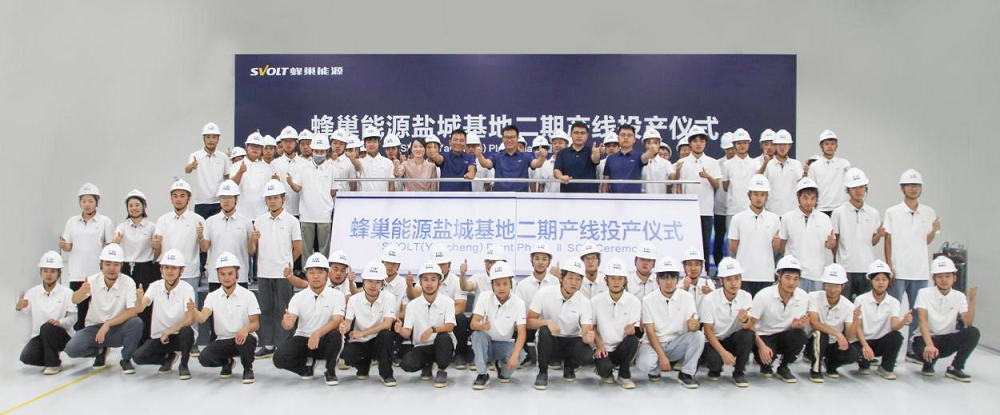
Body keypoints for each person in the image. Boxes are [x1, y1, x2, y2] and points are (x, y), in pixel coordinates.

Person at [883, 168, 939, 359]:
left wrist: (934, 231)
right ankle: (887, 350)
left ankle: (912, 350)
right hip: (899, 270)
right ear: (902, 188)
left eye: (917, 185)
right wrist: (889, 266)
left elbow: (926, 241)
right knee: (892, 310)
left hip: (920, 271)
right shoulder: (893, 212)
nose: (913, 188)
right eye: (909, 185)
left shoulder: (929, 212)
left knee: (918, 313)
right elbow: (887, 240)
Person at [65, 243, 143, 374]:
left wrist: (108, 324)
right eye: (107, 264)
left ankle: (126, 359)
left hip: (117, 327)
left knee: (136, 323)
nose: (112, 268)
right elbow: (74, 300)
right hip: (94, 328)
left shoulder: (128, 282)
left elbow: (132, 311)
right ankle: (100, 351)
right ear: (101, 264)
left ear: (121, 265)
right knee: (71, 349)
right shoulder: (92, 280)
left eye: (116, 264)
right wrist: (82, 291)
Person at [273, 253, 345, 385]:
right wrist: (287, 322)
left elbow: (337, 321)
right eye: (312, 272)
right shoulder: (298, 297)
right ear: (306, 274)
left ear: (327, 274)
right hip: (303, 338)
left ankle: (330, 371)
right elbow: (289, 324)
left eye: (320, 272)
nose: (316, 276)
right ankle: (305, 369)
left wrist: (317, 333)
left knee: (336, 335)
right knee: (279, 358)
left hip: (324, 339)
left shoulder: (337, 295)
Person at [250, 179, 303, 358]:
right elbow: (252, 250)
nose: (272, 201)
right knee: (266, 310)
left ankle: (286, 345)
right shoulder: (259, 221)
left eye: (276, 197)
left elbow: (298, 249)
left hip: (283, 275)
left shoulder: (291, 221)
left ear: (283, 199)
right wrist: (252, 239)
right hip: (263, 273)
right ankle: (269, 344)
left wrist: (286, 263)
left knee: (286, 310)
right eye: (269, 198)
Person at [636, 255, 704, 389]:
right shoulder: (648, 300)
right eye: (664, 278)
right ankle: (655, 369)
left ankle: (686, 373)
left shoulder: (687, 297)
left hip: (676, 343)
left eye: (672, 277)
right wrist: (662, 356)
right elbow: (650, 331)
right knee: (644, 364)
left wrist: (695, 325)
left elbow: (694, 322)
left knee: (698, 336)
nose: (668, 282)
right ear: (657, 280)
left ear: (677, 279)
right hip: (653, 344)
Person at [192, 252, 260, 384]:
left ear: (237, 274)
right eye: (222, 274)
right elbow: (202, 318)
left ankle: (248, 368)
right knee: (204, 358)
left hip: (243, 337)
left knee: (245, 341)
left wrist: (245, 330)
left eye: (230, 273)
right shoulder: (212, 296)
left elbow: (255, 323)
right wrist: (193, 310)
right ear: (218, 275)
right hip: (223, 339)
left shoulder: (248, 295)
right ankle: (227, 362)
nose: (226, 277)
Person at [527, 257, 594, 390]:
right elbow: (529, 322)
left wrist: (588, 337)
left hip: (571, 340)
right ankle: (542, 372)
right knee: (544, 331)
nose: (574, 283)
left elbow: (586, 332)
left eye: (578, 279)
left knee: (587, 354)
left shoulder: (585, 302)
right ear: (561, 277)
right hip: (552, 340)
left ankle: (569, 366)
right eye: (570, 278)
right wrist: (546, 322)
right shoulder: (544, 293)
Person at [131, 249, 196, 380]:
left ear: (181, 271)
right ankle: (168, 358)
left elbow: (189, 319)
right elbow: (140, 308)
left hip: (178, 336)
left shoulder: (187, 289)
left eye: (173, 268)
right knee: (138, 357)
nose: (169, 271)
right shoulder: (154, 286)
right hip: (160, 337)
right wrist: (138, 299)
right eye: (166, 267)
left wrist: (170, 331)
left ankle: (183, 364)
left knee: (187, 331)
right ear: (161, 269)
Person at [912, 256, 978, 382]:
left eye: (947, 276)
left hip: (946, 339)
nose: (944, 280)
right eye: (940, 276)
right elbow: (922, 320)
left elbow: (968, 322)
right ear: (934, 278)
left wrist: (972, 300)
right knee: (929, 354)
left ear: (954, 278)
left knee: (973, 332)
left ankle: (955, 367)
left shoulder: (959, 296)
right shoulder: (924, 293)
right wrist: (930, 345)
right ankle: (928, 364)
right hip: (924, 340)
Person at [60, 182, 115, 330]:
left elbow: (110, 247)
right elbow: (68, 246)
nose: (87, 204)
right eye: (84, 201)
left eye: (90, 201)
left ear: (96, 202)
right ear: (80, 203)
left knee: (97, 311)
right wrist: (63, 245)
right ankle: (79, 338)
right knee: (78, 311)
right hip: (77, 272)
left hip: (97, 274)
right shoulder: (72, 222)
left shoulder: (105, 221)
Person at [749, 255, 809, 383]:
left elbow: (794, 326)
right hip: (763, 336)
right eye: (787, 278)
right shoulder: (764, 295)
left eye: (796, 279)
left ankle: (784, 367)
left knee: (800, 335)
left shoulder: (803, 296)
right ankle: (764, 364)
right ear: (779, 276)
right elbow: (750, 324)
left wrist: (799, 324)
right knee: (766, 360)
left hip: (784, 335)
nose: (791, 283)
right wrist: (761, 346)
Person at [397, 261, 457, 388]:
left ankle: (441, 370)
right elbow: (407, 332)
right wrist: (400, 329)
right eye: (425, 279)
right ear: (420, 282)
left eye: (433, 279)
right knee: (407, 364)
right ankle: (427, 364)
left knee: (444, 337)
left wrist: (431, 330)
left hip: (442, 345)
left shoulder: (448, 302)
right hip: (422, 345)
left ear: (439, 283)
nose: (429, 283)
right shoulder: (412, 305)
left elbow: (450, 326)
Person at [17, 251, 77, 375]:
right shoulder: (33, 292)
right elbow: (23, 312)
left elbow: (73, 317)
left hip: (61, 335)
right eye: (45, 271)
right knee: (26, 356)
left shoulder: (67, 293)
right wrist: (19, 307)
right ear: (41, 272)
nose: (48, 274)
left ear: (59, 273)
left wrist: (59, 322)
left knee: (48, 327)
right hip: (40, 336)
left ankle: (53, 365)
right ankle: (53, 357)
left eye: (53, 271)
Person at [469, 261, 527, 390]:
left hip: (504, 345)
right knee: (478, 334)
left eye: (505, 284)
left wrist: (514, 356)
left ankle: (500, 367)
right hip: (486, 343)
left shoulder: (519, 303)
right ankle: (482, 374)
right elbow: (473, 323)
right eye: (497, 284)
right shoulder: (484, 298)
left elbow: (522, 332)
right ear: (492, 285)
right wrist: (482, 326)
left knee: (520, 356)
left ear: (511, 284)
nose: (501, 288)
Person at [340, 260, 398, 386]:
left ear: (382, 283)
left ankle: (386, 374)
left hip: (379, 341)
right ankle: (363, 366)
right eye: (370, 281)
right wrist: (344, 327)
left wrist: (362, 333)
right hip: (361, 342)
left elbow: (387, 324)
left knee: (387, 335)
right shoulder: (354, 300)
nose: (373, 285)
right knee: (348, 354)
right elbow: (348, 321)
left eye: (377, 282)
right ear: (363, 281)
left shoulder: (389, 298)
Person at [699, 257, 754, 387]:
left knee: (747, 334)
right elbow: (708, 331)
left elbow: (749, 326)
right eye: (729, 279)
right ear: (721, 281)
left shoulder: (746, 296)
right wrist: (723, 353)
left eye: (737, 278)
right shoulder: (710, 299)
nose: (734, 283)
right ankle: (715, 369)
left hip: (732, 339)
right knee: (715, 362)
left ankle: (739, 372)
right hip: (713, 341)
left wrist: (745, 319)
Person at [114, 189, 159, 345]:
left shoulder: (151, 227)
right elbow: (116, 238)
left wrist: (156, 246)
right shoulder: (122, 226)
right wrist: (116, 240)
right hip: (127, 269)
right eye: (131, 205)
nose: (134, 208)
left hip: (146, 268)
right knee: (127, 303)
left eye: (137, 205)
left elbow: (157, 250)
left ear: (144, 206)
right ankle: (128, 339)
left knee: (145, 304)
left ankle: (145, 339)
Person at [832, 168, 883, 300]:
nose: (858, 190)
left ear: (866, 188)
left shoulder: (873, 213)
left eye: (861, 187)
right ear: (847, 190)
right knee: (844, 305)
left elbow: (872, 242)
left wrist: (878, 235)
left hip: (866, 267)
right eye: (854, 187)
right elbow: (835, 241)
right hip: (845, 267)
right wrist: (837, 262)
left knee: (864, 306)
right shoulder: (838, 213)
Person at [777, 178, 835, 293]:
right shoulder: (787, 218)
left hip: (817, 273)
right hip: (795, 272)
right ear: (798, 197)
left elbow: (829, 245)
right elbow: (782, 245)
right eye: (805, 198)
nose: (809, 202)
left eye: (813, 198)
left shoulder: (824, 219)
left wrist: (831, 243)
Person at [674, 126, 722, 264]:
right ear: (690, 143)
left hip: (705, 210)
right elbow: (677, 185)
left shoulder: (713, 162)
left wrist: (708, 176)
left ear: (705, 143)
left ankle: (704, 271)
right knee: (687, 243)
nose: (698, 144)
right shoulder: (682, 162)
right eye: (695, 141)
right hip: (687, 211)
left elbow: (717, 186)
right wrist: (677, 171)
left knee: (705, 244)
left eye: (701, 141)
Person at [804, 264, 860, 383]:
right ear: (823, 285)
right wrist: (837, 334)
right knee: (820, 334)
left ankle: (831, 365)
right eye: (829, 285)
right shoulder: (813, 297)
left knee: (854, 354)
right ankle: (815, 370)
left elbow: (849, 336)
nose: (832, 289)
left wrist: (855, 320)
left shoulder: (848, 306)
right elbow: (814, 323)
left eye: (836, 286)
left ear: (843, 286)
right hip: (813, 342)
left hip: (833, 343)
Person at [853, 260, 908, 380]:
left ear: (889, 281)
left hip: (881, 342)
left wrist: (904, 321)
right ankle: (864, 364)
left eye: (884, 279)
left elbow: (894, 326)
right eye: (877, 279)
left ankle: (885, 368)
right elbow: (858, 327)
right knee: (855, 353)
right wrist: (865, 346)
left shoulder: (894, 302)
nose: (881, 283)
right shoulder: (860, 300)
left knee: (897, 336)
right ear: (871, 280)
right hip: (864, 342)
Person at [590, 260, 641, 389]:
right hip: (603, 348)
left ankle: (624, 375)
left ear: (625, 280)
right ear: (606, 279)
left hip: (621, 347)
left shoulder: (634, 302)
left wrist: (632, 330)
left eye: (620, 278)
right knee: (606, 374)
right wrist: (599, 346)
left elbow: (636, 329)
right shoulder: (596, 301)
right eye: (613, 278)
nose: (616, 282)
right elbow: (592, 326)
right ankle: (604, 369)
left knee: (633, 340)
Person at [152, 179, 205, 301]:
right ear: (171, 199)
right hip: (168, 273)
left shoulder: (198, 219)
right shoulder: (163, 220)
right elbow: (157, 249)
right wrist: (155, 245)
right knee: (167, 307)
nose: (178, 199)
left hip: (190, 272)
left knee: (190, 306)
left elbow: (204, 249)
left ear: (189, 198)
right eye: (175, 196)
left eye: (182, 196)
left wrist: (201, 236)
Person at [728, 174, 781, 296]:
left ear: (767, 196)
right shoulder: (738, 218)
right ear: (749, 195)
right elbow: (733, 246)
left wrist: (776, 244)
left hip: (766, 274)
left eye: (762, 194)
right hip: (744, 274)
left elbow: (775, 250)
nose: (759, 198)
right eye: (756, 194)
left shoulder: (774, 219)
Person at [289, 135, 336, 267]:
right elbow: (297, 188)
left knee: (324, 248)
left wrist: (323, 200)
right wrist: (290, 183)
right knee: (306, 247)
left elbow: (333, 191)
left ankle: (324, 269)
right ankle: (306, 270)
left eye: (322, 151)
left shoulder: (332, 169)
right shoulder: (303, 168)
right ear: (312, 150)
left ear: (326, 151)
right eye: (316, 151)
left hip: (325, 214)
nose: (319, 154)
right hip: (306, 214)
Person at [201, 180, 253, 291]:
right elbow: (205, 248)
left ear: (236, 199)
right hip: (216, 276)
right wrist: (200, 237)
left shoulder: (246, 222)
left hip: (240, 275)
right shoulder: (210, 221)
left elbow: (251, 251)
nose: (226, 201)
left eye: (229, 197)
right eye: (223, 197)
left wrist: (254, 239)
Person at [513, 243, 559, 368]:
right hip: (529, 326)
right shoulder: (522, 285)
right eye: (537, 258)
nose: (540, 262)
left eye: (544, 259)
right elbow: (517, 310)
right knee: (515, 325)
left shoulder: (556, 283)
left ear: (549, 262)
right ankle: (525, 356)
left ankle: (553, 358)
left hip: (550, 327)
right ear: (531, 261)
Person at [476, 125, 546, 192]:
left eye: (512, 137)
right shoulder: (496, 156)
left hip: (520, 197)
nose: (509, 140)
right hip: (500, 197)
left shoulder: (525, 156)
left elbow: (537, 164)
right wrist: (479, 155)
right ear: (502, 139)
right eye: (506, 137)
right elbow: (485, 163)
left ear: (517, 138)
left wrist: (542, 157)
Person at [186, 122, 230, 223]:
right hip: (201, 203)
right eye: (208, 137)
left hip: (219, 202)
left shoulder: (223, 157)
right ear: (204, 138)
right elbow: (187, 170)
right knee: (201, 230)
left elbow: (228, 177)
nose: (211, 140)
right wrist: (191, 166)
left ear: (218, 139)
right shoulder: (195, 155)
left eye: (214, 137)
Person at [602, 124, 658, 194]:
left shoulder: (639, 156)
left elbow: (646, 156)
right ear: (618, 138)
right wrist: (604, 197)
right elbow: (605, 183)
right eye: (623, 135)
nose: (626, 137)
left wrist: (651, 151)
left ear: (634, 139)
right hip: (614, 198)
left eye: (629, 135)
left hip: (634, 198)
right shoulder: (610, 158)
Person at [759, 129, 803, 218]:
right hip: (772, 212)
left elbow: (801, 186)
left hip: (793, 212)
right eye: (779, 144)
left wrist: (805, 174)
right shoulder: (768, 165)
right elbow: (761, 187)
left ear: (790, 146)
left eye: (785, 144)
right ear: (775, 145)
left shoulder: (797, 164)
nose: (782, 147)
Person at [808, 130, 852, 216]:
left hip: (841, 207)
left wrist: (850, 171)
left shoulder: (844, 163)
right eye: (827, 144)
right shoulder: (814, 166)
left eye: (832, 144)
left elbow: (851, 178)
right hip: (821, 208)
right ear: (821, 146)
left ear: (836, 146)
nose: (830, 146)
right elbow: (811, 188)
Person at [231, 132, 272, 220]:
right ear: (246, 147)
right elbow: (232, 185)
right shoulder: (236, 166)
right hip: (240, 214)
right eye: (252, 146)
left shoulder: (267, 168)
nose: (255, 149)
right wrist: (240, 172)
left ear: (262, 149)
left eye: (258, 147)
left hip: (262, 215)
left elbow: (269, 192)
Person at [271, 126, 307, 222]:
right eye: (285, 141)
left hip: (301, 211)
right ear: (281, 143)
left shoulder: (305, 163)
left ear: (296, 143)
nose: (288, 144)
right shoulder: (275, 163)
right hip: (282, 210)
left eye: (291, 141)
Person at [553, 122, 601, 193]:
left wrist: (596, 155)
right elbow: (557, 170)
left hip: (590, 195)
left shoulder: (592, 150)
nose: (579, 136)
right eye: (576, 133)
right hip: (567, 195)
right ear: (570, 134)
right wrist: (561, 177)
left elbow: (595, 160)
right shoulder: (562, 153)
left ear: (587, 135)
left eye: (582, 133)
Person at [350, 126, 395, 192]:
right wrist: (353, 159)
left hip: (383, 198)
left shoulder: (388, 162)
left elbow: (391, 184)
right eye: (368, 142)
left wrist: (389, 198)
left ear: (379, 143)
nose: (371, 144)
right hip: (364, 198)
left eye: (374, 142)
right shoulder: (361, 162)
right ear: (364, 145)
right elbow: (356, 164)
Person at [713, 132, 735, 266]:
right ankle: (718, 266)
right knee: (719, 239)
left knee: (734, 239)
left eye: (732, 148)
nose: (730, 151)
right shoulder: (717, 163)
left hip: (735, 207)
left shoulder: (740, 163)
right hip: (720, 207)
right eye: (728, 149)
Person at [640, 127, 675, 195]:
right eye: (649, 143)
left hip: (660, 200)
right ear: (644, 144)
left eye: (655, 143)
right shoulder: (638, 161)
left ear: (659, 145)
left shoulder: (666, 163)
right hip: (641, 199)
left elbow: (673, 177)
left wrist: (678, 172)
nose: (652, 145)